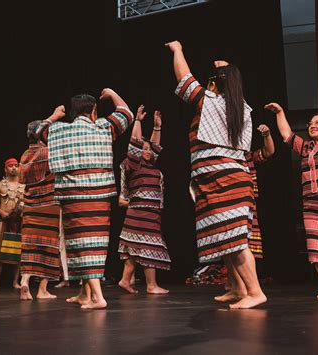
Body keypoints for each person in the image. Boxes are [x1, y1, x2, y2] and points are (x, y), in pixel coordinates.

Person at [166, 40, 266, 309]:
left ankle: (255, 292)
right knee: (226, 239)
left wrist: (178, 51)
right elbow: (232, 85)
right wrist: (227, 71)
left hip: (226, 180)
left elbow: (184, 80)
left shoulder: (208, 104)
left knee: (234, 240)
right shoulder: (240, 108)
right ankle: (238, 288)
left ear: (213, 86)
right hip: (221, 179)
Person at [37, 89, 133, 309]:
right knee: (94, 243)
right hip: (99, 197)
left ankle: (98, 298)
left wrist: (54, 115)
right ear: (94, 112)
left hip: (73, 197)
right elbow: (126, 112)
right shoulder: (103, 128)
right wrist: (112, 94)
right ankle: (84, 293)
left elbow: (37, 129)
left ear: (72, 113)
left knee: (80, 245)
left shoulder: (60, 131)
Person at [265, 85, 318, 300]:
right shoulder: (305, 148)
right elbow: (286, 134)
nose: (312, 125)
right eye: (310, 123)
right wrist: (279, 113)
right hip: (313, 207)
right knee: (317, 248)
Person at [216, 124, 275, 301]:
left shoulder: (247, 156)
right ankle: (236, 287)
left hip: (244, 202)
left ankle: (249, 289)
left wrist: (267, 135)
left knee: (242, 245)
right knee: (227, 246)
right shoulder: (223, 155)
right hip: (227, 201)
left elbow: (268, 152)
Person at [117, 105, 170, 295]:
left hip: (150, 213)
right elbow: (135, 143)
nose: (148, 151)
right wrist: (138, 121)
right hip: (140, 211)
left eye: (149, 149)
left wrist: (157, 128)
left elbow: (154, 148)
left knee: (138, 247)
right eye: (144, 149)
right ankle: (151, 285)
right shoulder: (134, 164)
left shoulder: (152, 167)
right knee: (148, 245)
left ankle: (125, 280)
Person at [19, 120, 64, 300]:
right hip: (49, 206)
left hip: (30, 206)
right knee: (48, 247)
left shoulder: (25, 155)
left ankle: (24, 281)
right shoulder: (48, 152)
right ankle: (43, 289)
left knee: (30, 246)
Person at [0, 158, 25, 290]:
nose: (14, 168)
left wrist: (23, 212)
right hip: (4, 220)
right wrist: (1, 212)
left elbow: (27, 203)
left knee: (18, 251)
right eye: (11, 166)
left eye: (16, 166)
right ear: (5, 169)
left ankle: (15, 282)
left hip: (18, 222)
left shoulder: (24, 186)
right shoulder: (0, 185)